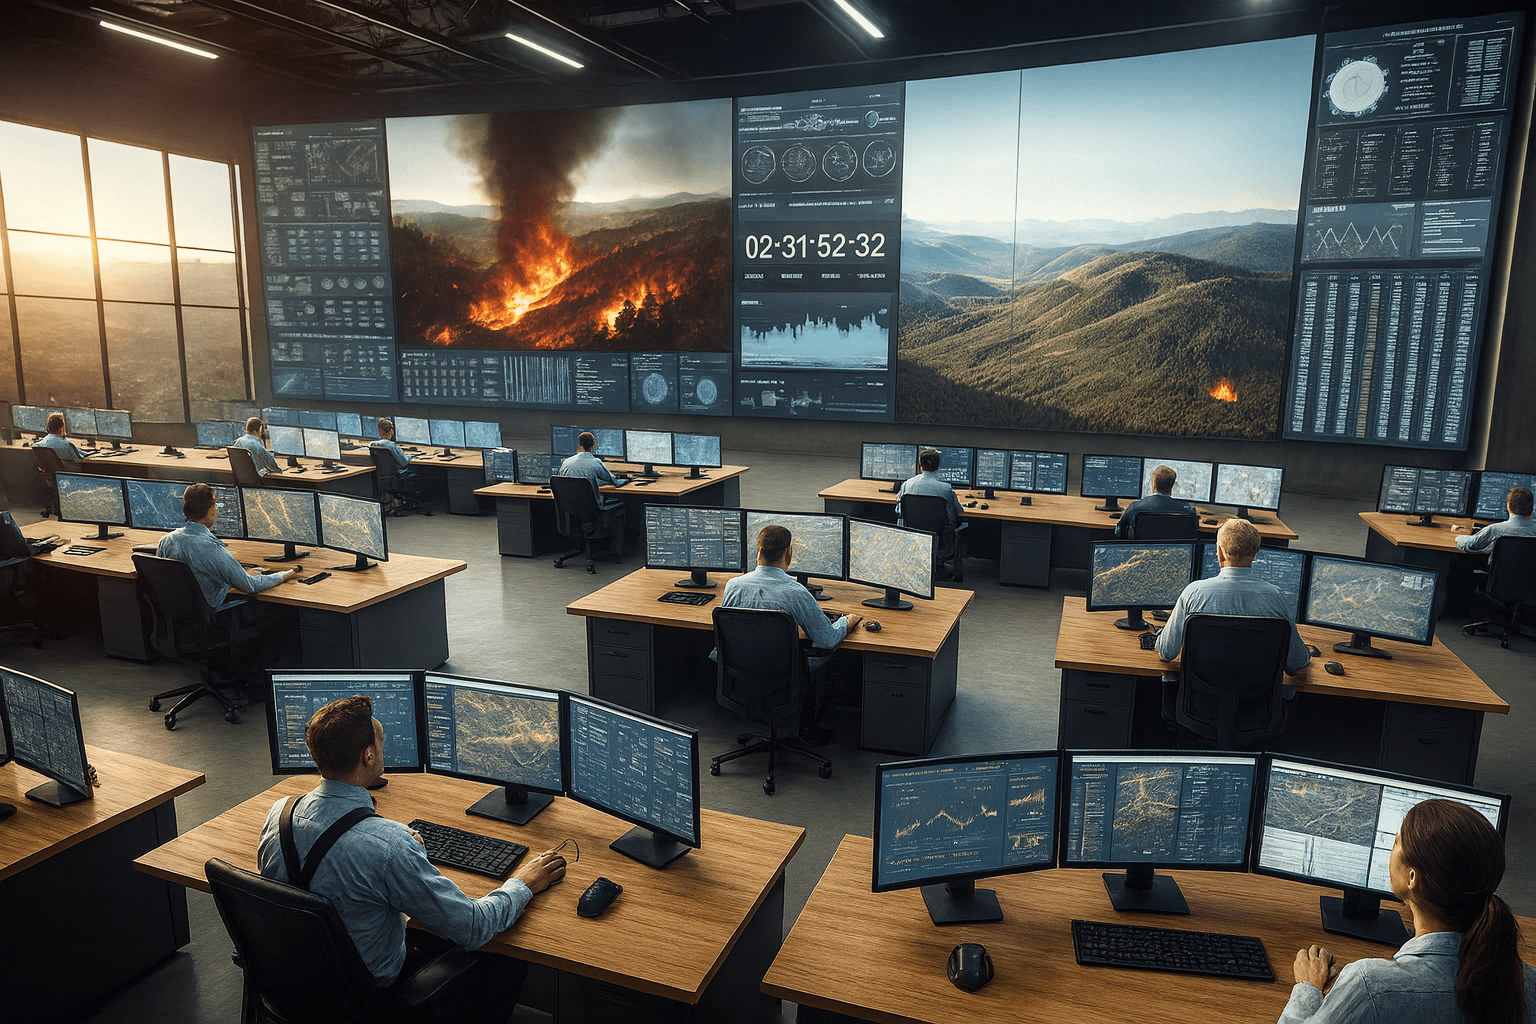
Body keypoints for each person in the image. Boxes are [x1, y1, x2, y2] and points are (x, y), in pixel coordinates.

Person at [258, 696, 567, 1022]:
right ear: (369, 755)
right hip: (367, 997)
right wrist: (523, 883)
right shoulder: (388, 847)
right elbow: (473, 927)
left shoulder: (279, 814)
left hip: (296, 981)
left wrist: (394, 844)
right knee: (503, 959)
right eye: (381, 739)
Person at [1279, 798, 1535, 1024]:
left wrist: (1307, 987)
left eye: (1397, 840)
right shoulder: (1525, 981)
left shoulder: (1371, 987)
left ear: (1413, 878)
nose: (1392, 845)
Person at [720, 524, 861, 744]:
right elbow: (827, 639)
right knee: (826, 656)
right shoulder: (796, 592)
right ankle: (808, 726)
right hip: (782, 682)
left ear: (758, 551)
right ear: (789, 553)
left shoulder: (733, 586)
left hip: (742, 678)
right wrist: (847, 621)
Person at [1155, 518, 1310, 703]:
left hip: (1200, 706)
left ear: (1219, 553)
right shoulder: (1277, 598)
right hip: (1257, 709)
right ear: (1255, 554)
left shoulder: (1193, 594)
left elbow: (1166, 652)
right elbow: (1298, 662)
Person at [156, 483, 298, 606]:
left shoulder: (165, 541)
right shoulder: (211, 547)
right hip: (209, 612)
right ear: (211, 511)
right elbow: (250, 585)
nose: (217, 509)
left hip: (178, 612)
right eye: (215, 505)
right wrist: (284, 575)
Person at [1114, 463, 1196, 538]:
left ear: (1153, 482)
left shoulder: (1135, 507)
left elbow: (1119, 531)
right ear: (1172, 484)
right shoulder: (1188, 510)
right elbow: (1193, 534)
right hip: (1173, 552)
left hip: (1142, 552)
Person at [1454, 486, 1536, 552]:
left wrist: (1458, 538)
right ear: (1532, 509)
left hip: (1500, 572)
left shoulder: (1495, 530)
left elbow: (1470, 544)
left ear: (1508, 506)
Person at [559, 430, 624, 509]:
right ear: (593, 444)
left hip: (569, 509)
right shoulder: (595, 462)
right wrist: (627, 480)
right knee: (625, 502)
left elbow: (560, 480)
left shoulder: (566, 462)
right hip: (591, 510)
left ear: (580, 444)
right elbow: (612, 480)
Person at [896, 449, 962, 525]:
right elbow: (951, 516)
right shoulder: (946, 489)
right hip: (938, 533)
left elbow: (899, 512)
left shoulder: (906, 485)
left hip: (912, 533)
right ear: (937, 468)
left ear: (920, 466)